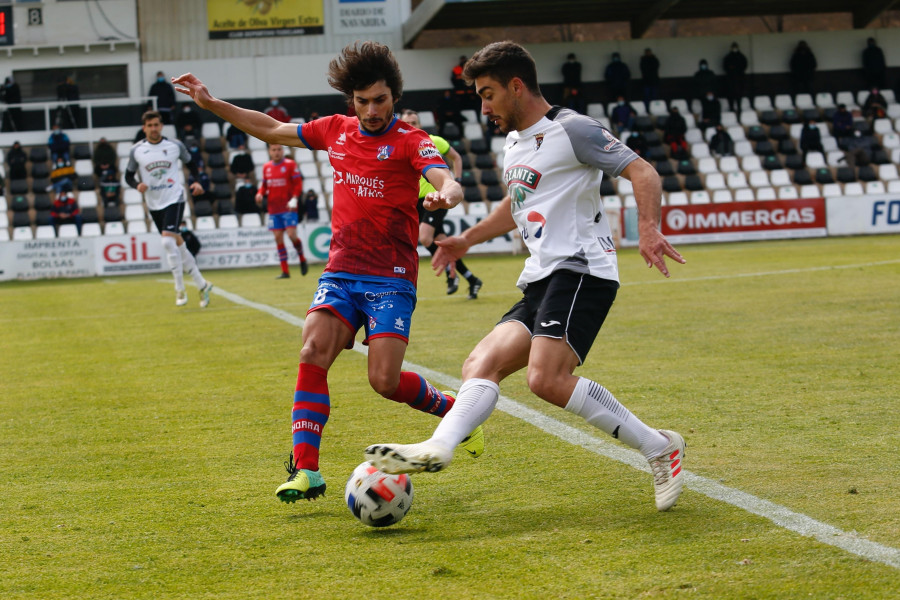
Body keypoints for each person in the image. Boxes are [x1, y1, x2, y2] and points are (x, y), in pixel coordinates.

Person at [365, 41, 687, 514]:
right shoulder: (515, 144)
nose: (484, 107)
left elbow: (642, 171)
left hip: (582, 270)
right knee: (480, 364)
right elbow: (515, 208)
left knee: (546, 378)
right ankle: (439, 445)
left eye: (488, 94)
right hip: (540, 277)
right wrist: (466, 240)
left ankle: (660, 448)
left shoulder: (572, 128)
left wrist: (649, 228)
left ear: (517, 86)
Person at [173, 41, 483, 505]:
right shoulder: (336, 130)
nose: (372, 110)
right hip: (341, 271)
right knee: (312, 350)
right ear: (350, 100)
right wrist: (212, 104)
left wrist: (449, 194)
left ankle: (454, 410)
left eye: (380, 100)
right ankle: (307, 471)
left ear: (394, 96)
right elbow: (273, 129)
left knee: (384, 381)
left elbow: (444, 178)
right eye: (363, 101)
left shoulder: (410, 141)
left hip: (391, 276)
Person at [125, 110, 213, 308]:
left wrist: (197, 182)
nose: (154, 129)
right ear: (144, 128)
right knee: (176, 243)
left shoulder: (174, 145)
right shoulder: (137, 150)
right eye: (150, 126)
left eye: (157, 125)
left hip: (175, 197)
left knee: (167, 241)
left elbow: (192, 164)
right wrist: (137, 185)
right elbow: (128, 176)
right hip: (154, 202)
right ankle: (201, 284)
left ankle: (179, 289)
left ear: (161, 126)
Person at [400, 109, 483, 298]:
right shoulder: (403, 146)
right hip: (415, 203)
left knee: (425, 237)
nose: (412, 126)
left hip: (436, 199)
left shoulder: (433, 141)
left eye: (415, 122)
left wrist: (457, 181)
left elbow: (457, 157)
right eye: (408, 123)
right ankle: (471, 279)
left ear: (420, 124)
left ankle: (449, 274)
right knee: (442, 243)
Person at [255, 143, 309, 279]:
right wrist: (260, 193)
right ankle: (285, 271)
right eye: (274, 150)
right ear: (270, 151)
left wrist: (295, 198)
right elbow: (264, 185)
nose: (277, 152)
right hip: (274, 209)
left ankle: (302, 258)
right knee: (278, 238)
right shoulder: (266, 167)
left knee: (291, 235)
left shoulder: (290, 164)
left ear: (282, 150)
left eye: (279, 149)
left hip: (289, 207)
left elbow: (298, 184)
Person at [722, 42, 748, 112]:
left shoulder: (741, 57)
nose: (734, 49)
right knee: (730, 95)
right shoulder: (728, 57)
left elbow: (744, 66)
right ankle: (731, 108)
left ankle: (739, 107)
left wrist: (737, 69)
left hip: (739, 80)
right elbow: (725, 67)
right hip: (730, 80)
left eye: (735, 47)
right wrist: (731, 69)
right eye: (733, 47)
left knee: (739, 95)